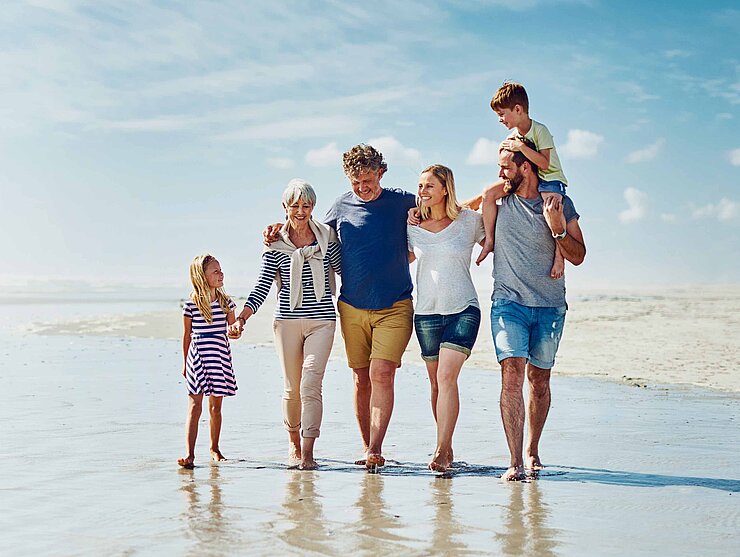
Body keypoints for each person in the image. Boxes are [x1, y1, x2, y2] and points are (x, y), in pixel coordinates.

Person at [264, 144, 417, 469]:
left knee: (382, 373)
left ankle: (376, 447)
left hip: (395, 304)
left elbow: (440, 209)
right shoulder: (339, 208)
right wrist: (276, 230)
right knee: (361, 378)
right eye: (356, 182)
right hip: (352, 306)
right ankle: (366, 446)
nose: (362, 188)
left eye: (368, 180)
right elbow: (308, 231)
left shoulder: (402, 201)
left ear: (381, 173)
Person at [492, 141, 586, 481]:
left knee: (539, 380)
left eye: (506, 167)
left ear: (526, 168)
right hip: (508, 303)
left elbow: (578, 255)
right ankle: (514, 461)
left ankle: (533, 450)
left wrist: (557, 226)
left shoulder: (560, 204)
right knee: (513, 372)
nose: (500, 173)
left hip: (549, 307)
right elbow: (455, 208)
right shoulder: (499, 200)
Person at [232, 179, 341, 470]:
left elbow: (348, 270)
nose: (301, 211)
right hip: (287, 323)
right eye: (295, 205)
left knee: (310, 383)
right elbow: (262, 286)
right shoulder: (276, 243)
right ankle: (293, 444)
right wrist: (242, 317)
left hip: (322, 321)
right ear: (285, 207)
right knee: (292, 388)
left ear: (313, 207)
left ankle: (308, 452)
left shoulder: (327, 237)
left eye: (306, 205)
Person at [407, 164, 485, 472]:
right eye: (421, 185)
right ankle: (447, 446)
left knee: (446, 377)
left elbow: (493, 216)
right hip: (426, 313)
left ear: (445, 190)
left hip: (463, 309)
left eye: (429, 186)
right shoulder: (411, 226)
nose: (422, 191)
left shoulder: (468, 221)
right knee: (436, 386)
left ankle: (440, 450)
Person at [477, 81, 570, 280]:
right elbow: (512, 158)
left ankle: (559, 256)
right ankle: (491, 240)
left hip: (551, 179)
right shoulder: (514, 136)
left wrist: (521, 148)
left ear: (518, 109)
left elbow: (544, 164)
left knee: (551, 209)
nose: (500, 120)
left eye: (502, 114)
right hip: (527, 177)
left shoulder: (540, 130)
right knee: (488, 193)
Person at [179, 254, 240, 469]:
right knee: (195, 407)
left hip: (219, 357)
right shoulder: (191, 304)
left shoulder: (226, 302)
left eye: (221, 270)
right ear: (202, 276)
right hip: (197, 358)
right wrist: (185, 363)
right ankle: (189, 454)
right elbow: (186, 336)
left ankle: (214, 448)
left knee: (215, 407)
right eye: (215, 271)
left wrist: (235, 331)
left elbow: (233, 329)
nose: (221, 274)